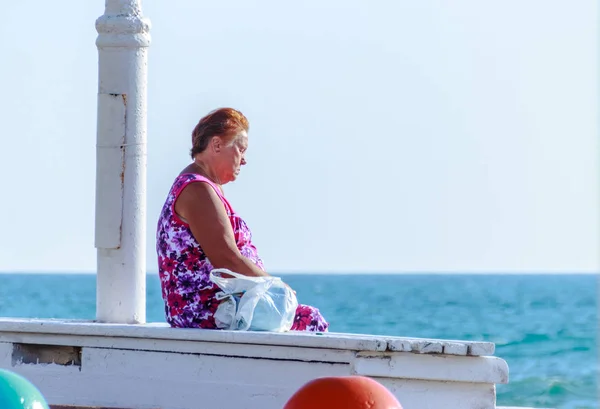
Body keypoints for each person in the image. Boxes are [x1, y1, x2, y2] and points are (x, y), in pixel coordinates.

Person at [156, 107, 329, 332]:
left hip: (222, 306)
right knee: (310, 320)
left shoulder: (201, 186)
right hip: (209, 311)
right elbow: (227, 259)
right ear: (217, 145)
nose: (244, 160)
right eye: (241, 149)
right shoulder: (197, 189)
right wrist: (277, 286)